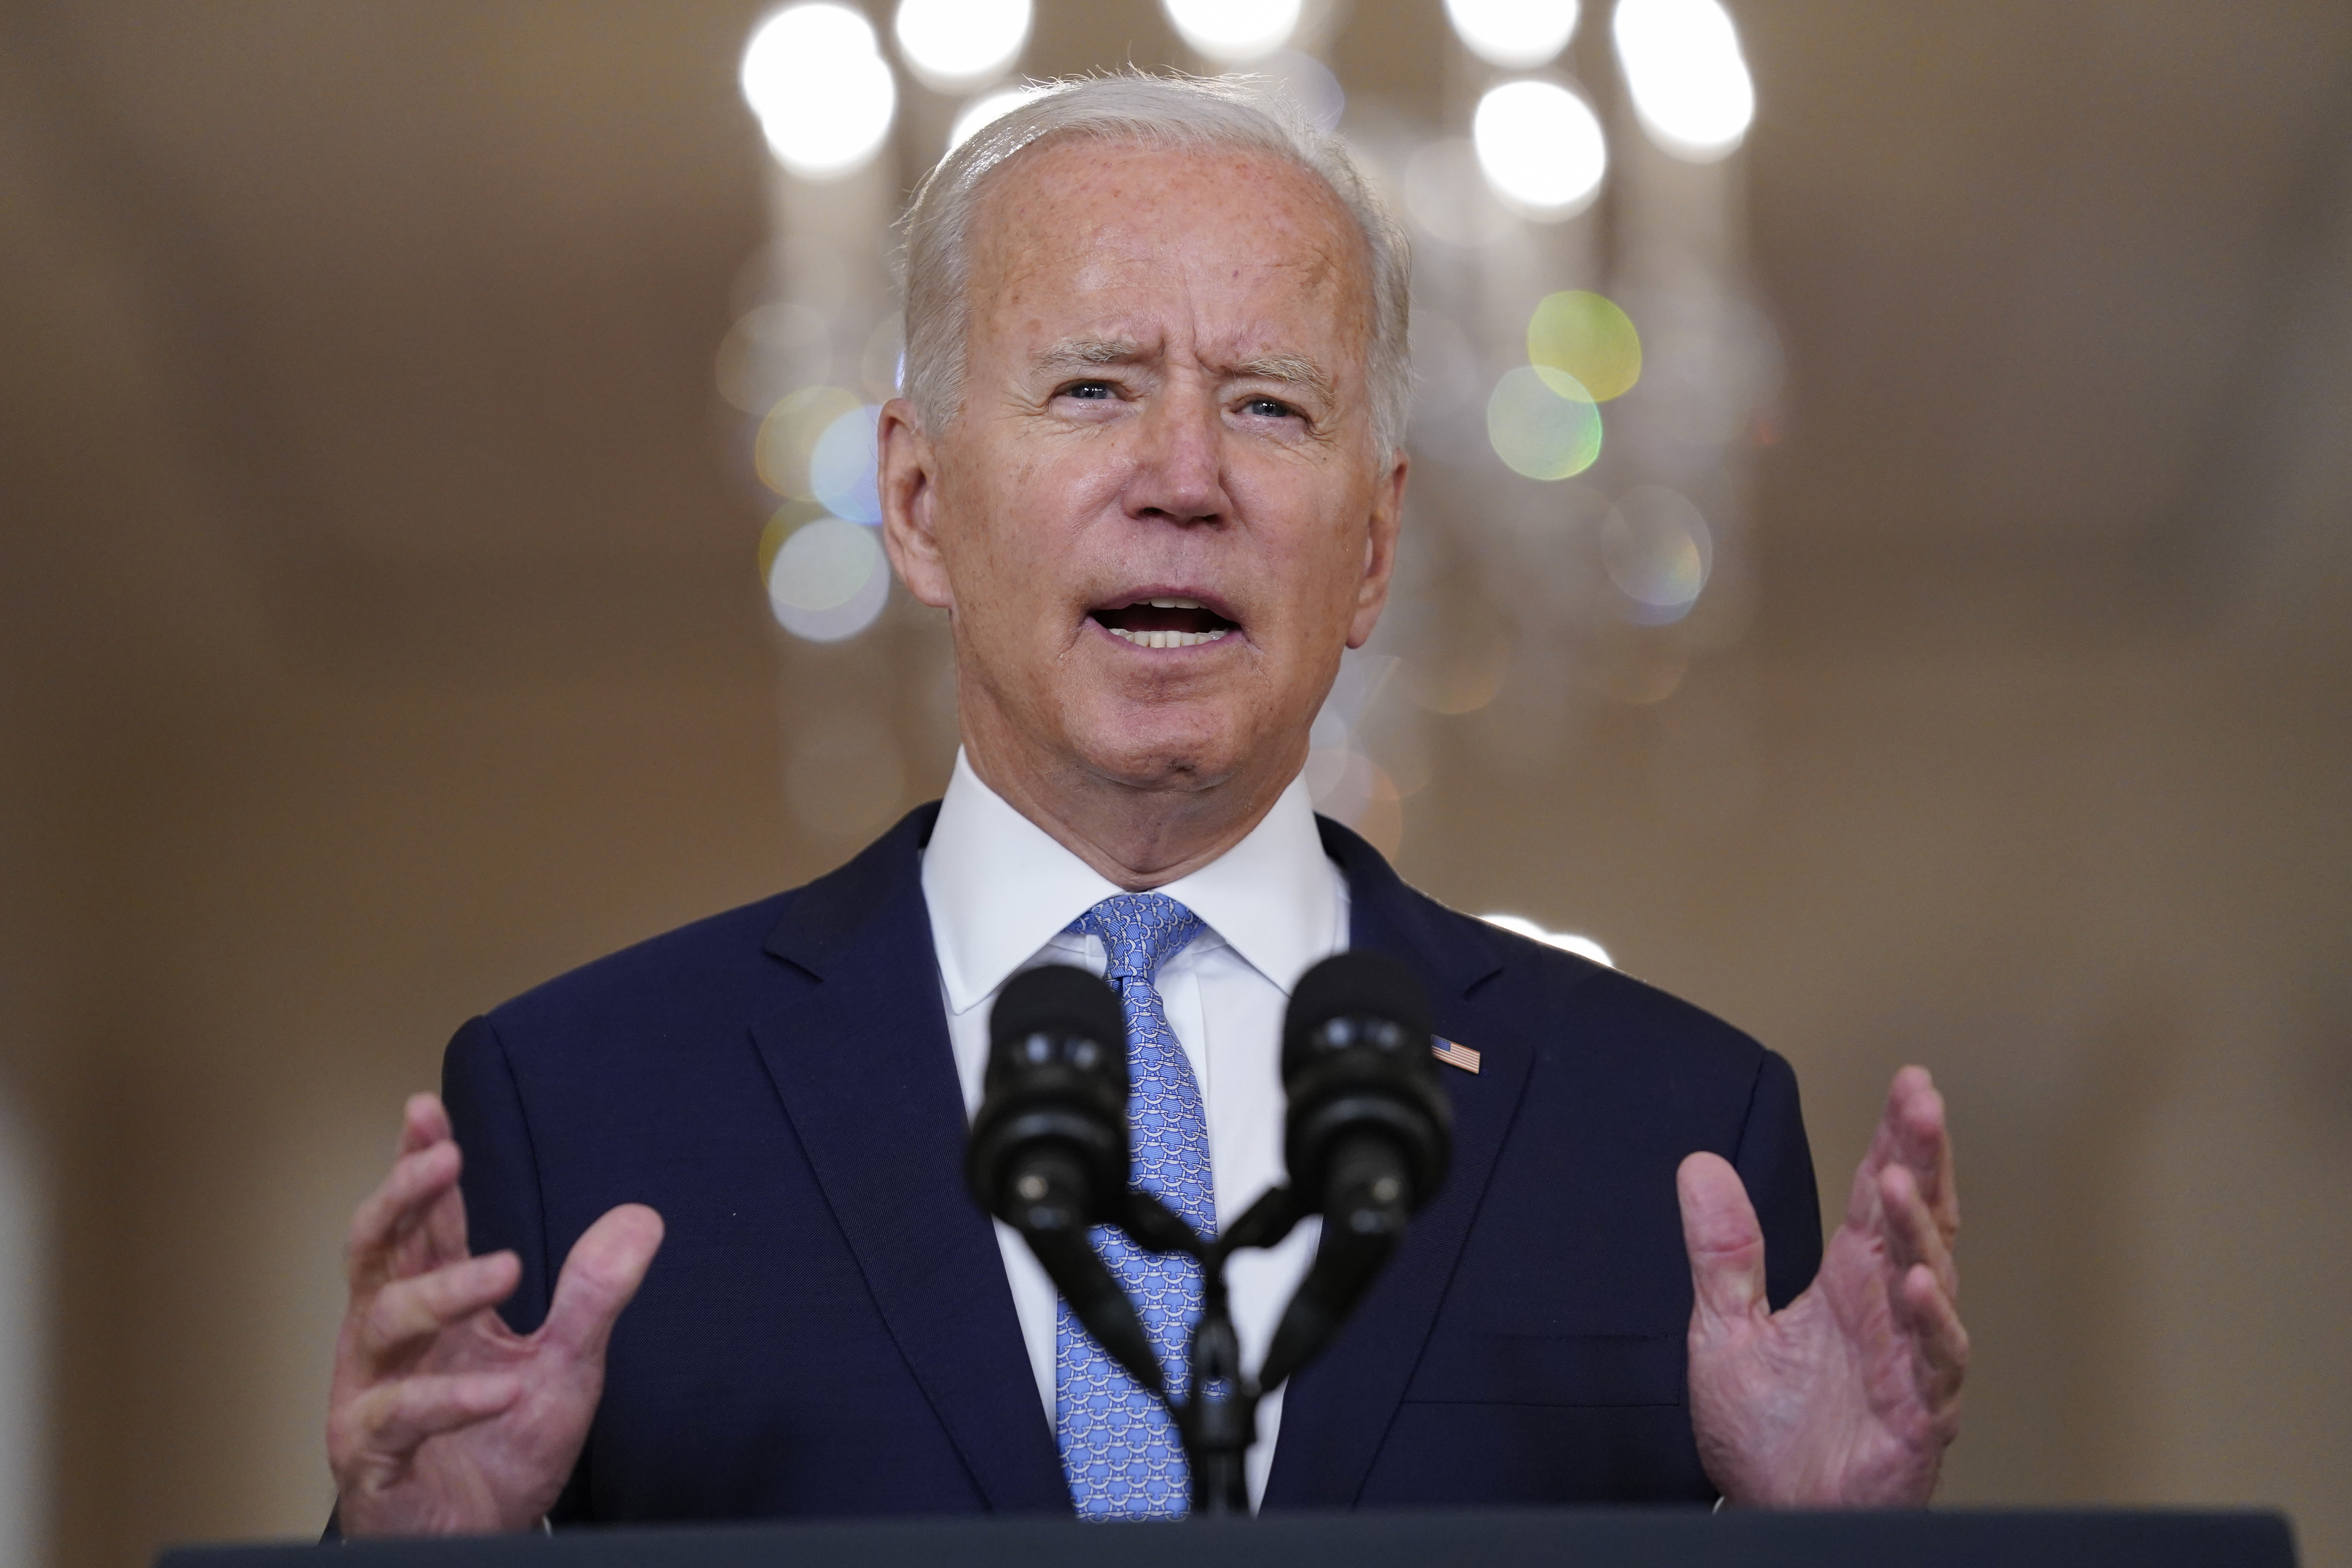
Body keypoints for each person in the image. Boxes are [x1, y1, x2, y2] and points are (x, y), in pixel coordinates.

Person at [324, 74, 1965, 1536]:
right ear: (914, 501)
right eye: (1095, 387)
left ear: (1374, 548)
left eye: (1270, 404)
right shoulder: (588, 1108)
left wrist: (1834, 1552)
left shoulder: (1670, 1136)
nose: (1186, 477)